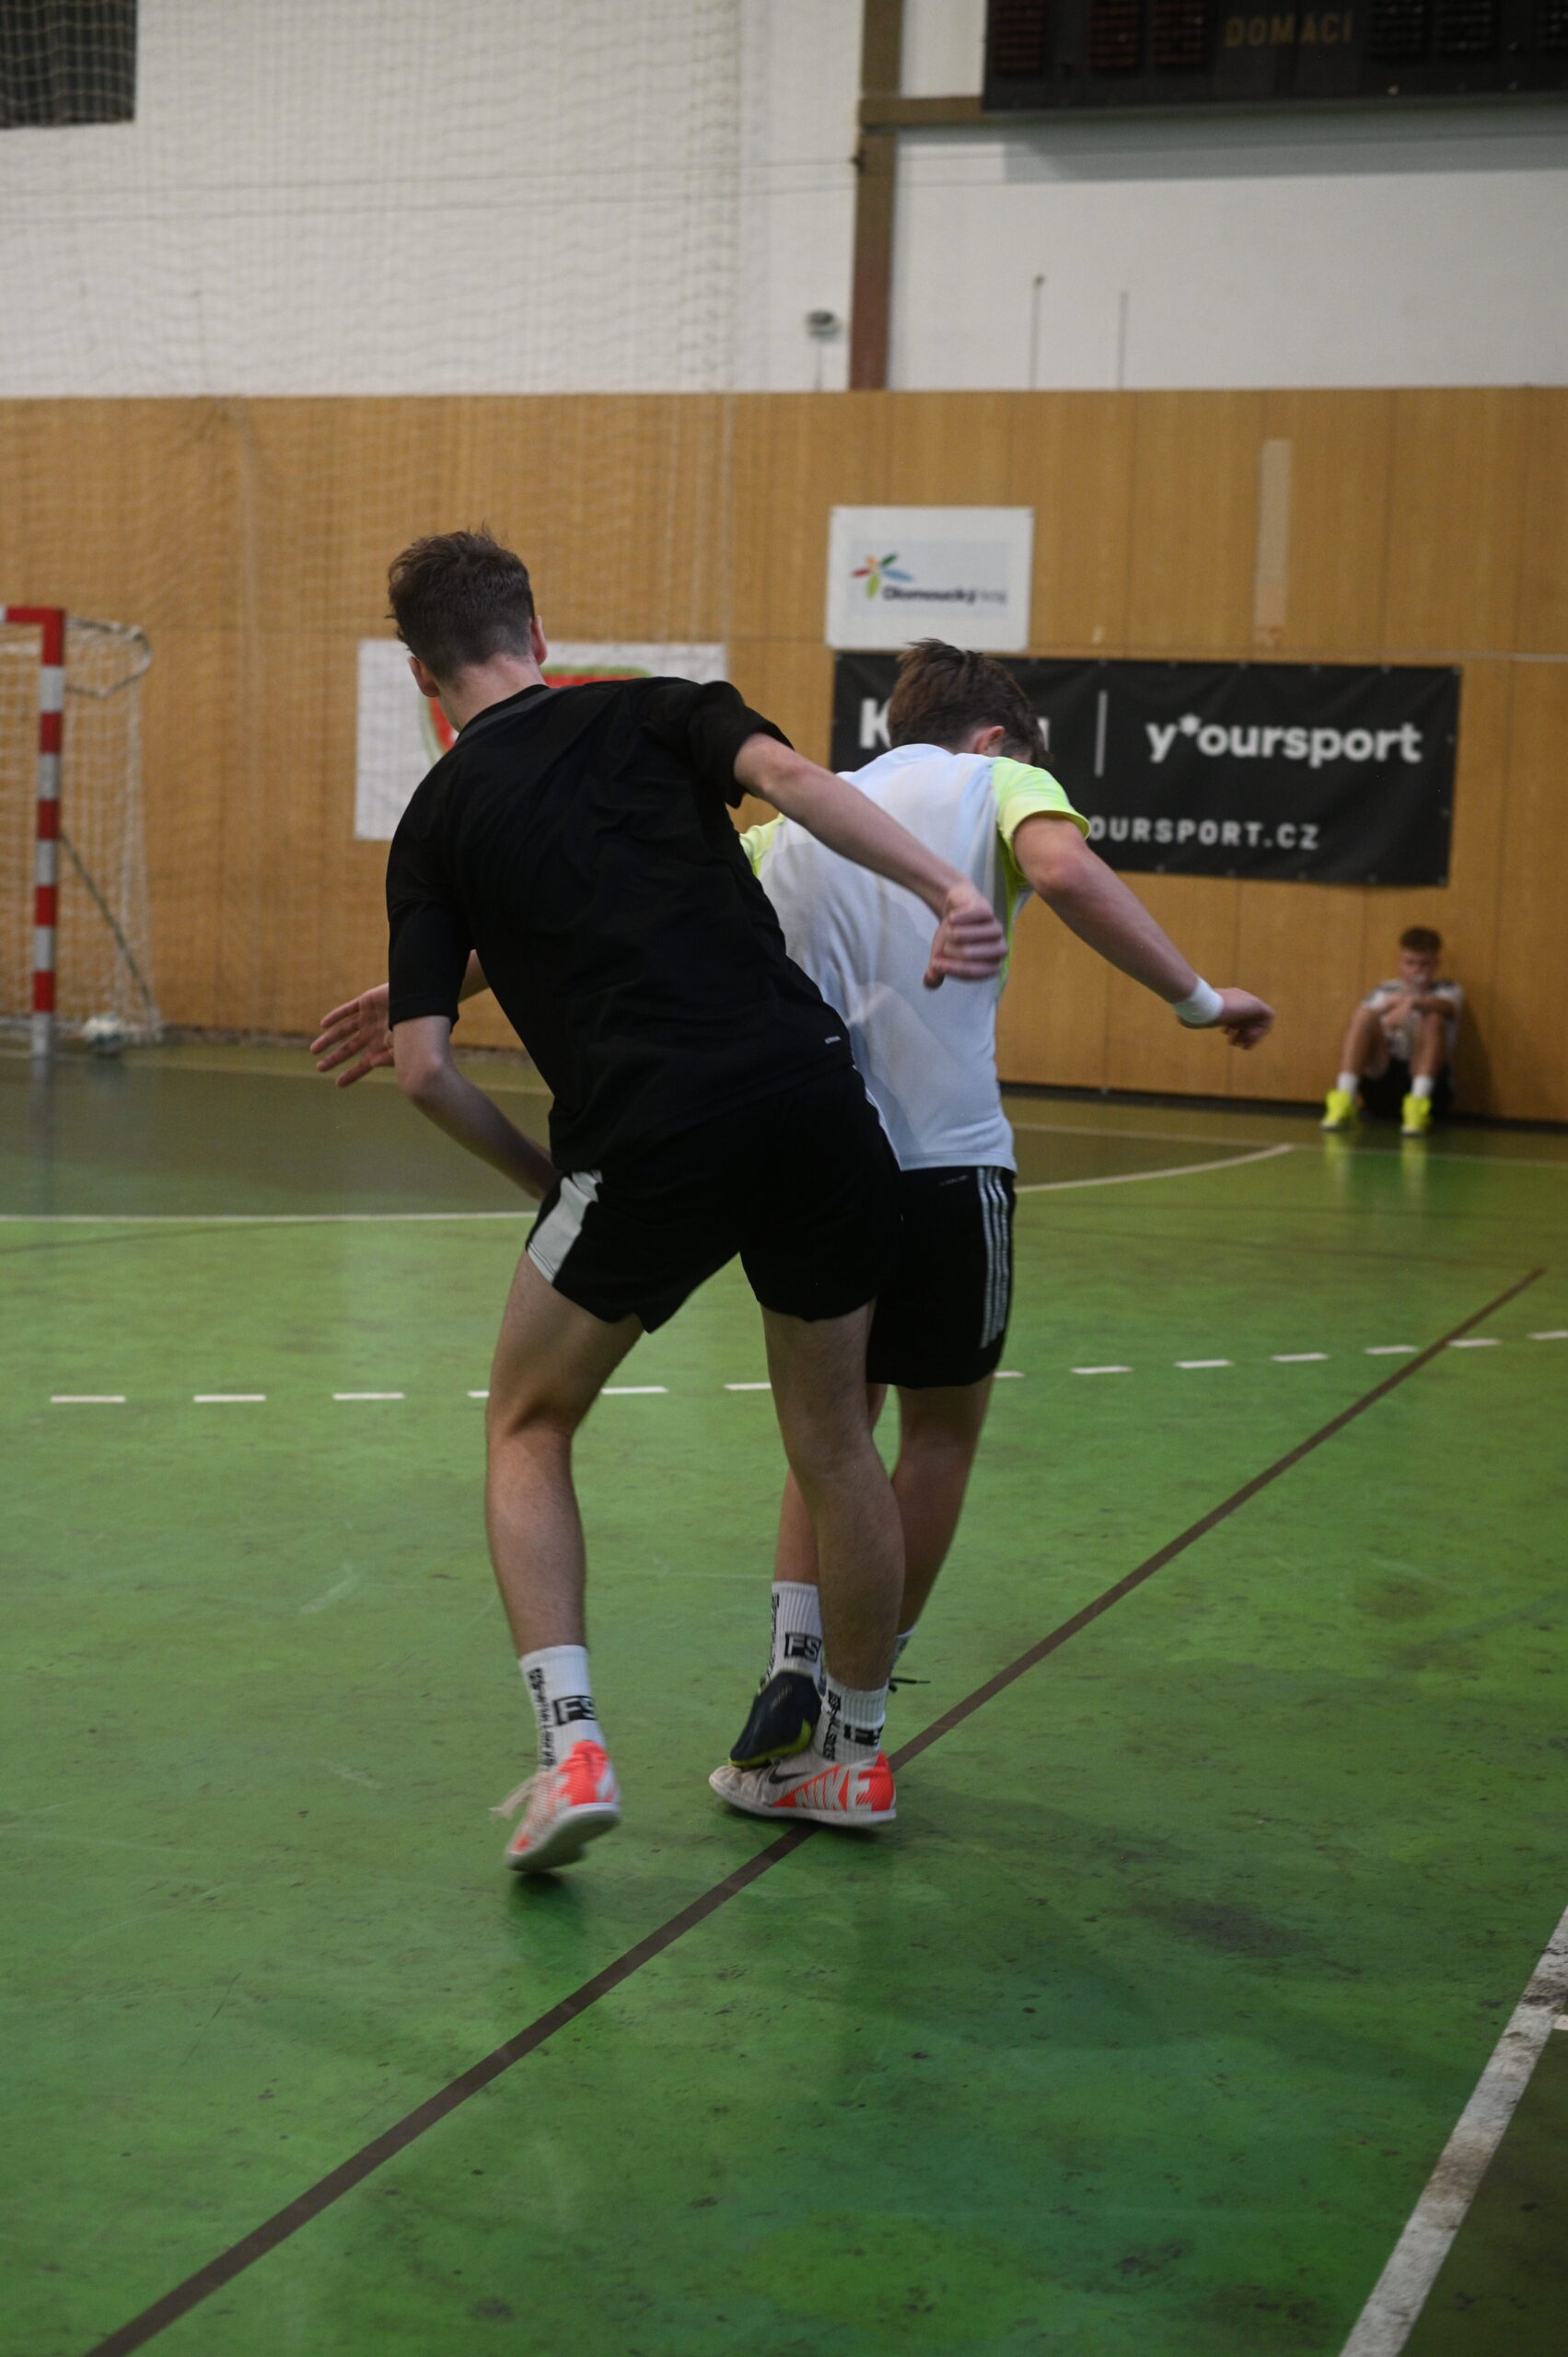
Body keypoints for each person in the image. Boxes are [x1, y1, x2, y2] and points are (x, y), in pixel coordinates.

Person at [311, 532, 1009, 1874]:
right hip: (811, 1102)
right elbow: (798, 785)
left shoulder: (436, 822)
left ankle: (571, 1749)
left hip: (644, 1140)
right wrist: (945, 888)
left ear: (419, 675)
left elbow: (423, 1071)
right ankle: (855, 1758)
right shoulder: (654, 709)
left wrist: (553, 1188)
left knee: (527, 1422)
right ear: (536, 631)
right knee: (834, 1441)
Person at [699, 639, 1275, 1819]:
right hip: (946, 1168)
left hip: (812, 1173)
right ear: (996, 735)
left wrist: (438, 987)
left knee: (827, 1437)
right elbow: (1062, 871)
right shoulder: (993, 783)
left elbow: (647, 913)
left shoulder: (796, 819)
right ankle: (855, 1731)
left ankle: (790, 1670)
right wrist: (1197, 999)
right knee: (936, 1436)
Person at [1320, 926, 1462, 1139]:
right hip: (1383, 1083)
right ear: (1400, 962)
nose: (1416, 970)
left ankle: (1417, 1106)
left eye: (1424, 964)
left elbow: (1448, 1007)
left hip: (1429, 1091)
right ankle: (1344, 1099)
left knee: (1432, 1017)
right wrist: (1385, 1013)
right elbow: (1362, 1023)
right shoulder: (1384, 991)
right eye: (1410, 963)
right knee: (1364, 1014)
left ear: (1436, 964)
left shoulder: (1448, 989)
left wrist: (1413, 1002)